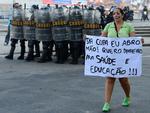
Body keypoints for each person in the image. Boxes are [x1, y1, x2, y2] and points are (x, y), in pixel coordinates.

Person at [101, 7, 137, 112]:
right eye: (114, 14)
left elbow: (133, 41)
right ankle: (106, 103)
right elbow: (101, 39)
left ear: (122, 14)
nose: (116, 15)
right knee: (110, 79)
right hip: (111, 58)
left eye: (118, 13)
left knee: (123, 80)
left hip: (124, 58)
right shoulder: (108, 26)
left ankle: (127, 96)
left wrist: (139, 41)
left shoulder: (128, 26)